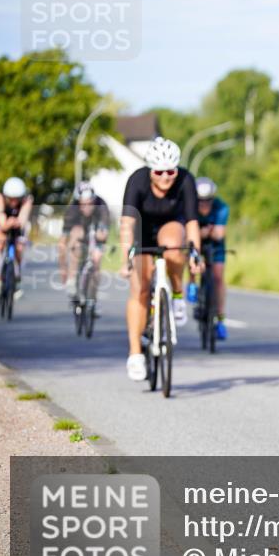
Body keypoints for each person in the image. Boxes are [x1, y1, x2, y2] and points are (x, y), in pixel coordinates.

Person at [119, 137, 202, 381]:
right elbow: (127, 224)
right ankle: (135, 353)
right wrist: (126, 257)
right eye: (159, 171)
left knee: (175, 246)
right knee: (140, 289)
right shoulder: (137, 181)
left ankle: (176, 295)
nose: (166, 177)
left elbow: (193, 223)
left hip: (170, 226)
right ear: (150, 170)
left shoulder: (185, 180)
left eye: (170, 171)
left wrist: (196, 253)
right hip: (141, 230)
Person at [186, 176, 230, 340]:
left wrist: (202, 232)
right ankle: (192, 284)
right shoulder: (189, 206)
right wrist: (203, 232)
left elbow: (219, 234)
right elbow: (188, 234)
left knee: (218, 277)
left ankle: (220, 319)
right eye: (200, 201)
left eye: (208, 200)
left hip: (215, 246)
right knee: (190, 256)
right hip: (195, 245)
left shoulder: (221, 208)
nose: (204, 204)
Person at [59, 181, 110, 296]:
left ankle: (93, 297)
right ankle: (72, 279)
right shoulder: (72, 210)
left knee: (96, 259)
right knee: (76, 242)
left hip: (95, 233)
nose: (87, 207)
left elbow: (104, 230)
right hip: (79, 233)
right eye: (83, 204)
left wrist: (101, 234)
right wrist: (63, 268)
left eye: (90, 203)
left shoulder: (101, 205)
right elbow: (62, 241)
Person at [0, 177, 34, 299]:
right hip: (2, 222)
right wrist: (7, 224)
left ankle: (17, 278)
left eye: (17, 199)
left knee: (19, 248)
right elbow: (2, 223)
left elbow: (22, 219)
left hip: (17, 224)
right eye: (11, 198)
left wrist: (17, 223)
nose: (14, 201)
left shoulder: (27, 201)